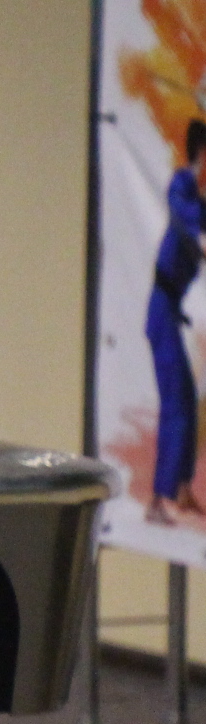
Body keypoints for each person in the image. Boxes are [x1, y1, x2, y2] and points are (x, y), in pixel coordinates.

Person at [147, 118, 206, 526]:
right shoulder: (182, 185)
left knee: (186, 400)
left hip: (170, 312)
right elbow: (188, 220)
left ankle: (181, 489)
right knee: (176, 406)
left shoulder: (199, 199)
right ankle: (158, 500)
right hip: (161, 311)